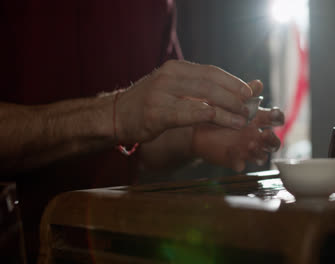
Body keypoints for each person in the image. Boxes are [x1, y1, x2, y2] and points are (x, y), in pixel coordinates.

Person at [0, 0, 284, 262]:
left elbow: (142, 138)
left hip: (110, 244)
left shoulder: (157, 5)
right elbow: (123, 117)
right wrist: (113, 113)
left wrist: (195, 134)